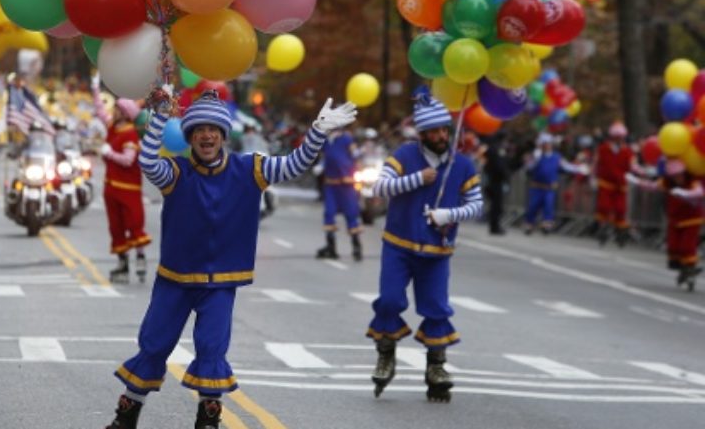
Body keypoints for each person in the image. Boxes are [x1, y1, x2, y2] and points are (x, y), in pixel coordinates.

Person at [103, 90, 356, 429]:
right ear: (190, 136)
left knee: (212, 348)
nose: (207, 135)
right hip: (175, 279)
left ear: (223, 136)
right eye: (199, 130)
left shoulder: (250, 168)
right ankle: (127, 414)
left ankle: (208, 417)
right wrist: (160, 116)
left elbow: (294, 164)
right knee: (154, 343)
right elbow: (148, 163)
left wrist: (317, 133)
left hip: (220, 282)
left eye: (214, 129)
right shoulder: (175, 173)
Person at [367, 88, 483, 403]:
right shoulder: (405, 156)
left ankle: (436, 367)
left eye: (444, 129)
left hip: (436, 251)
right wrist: (418, 179)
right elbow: (379, 186)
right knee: (389, 301)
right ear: (422, 134)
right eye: (433, 130)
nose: (441, 135)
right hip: (399, 245)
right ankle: (386, 353)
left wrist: (451, 214)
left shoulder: (463, 165)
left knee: (435, 307)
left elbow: (476, 205)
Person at [92, 75, 151, 284]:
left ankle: (141, 258)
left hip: (129, 188)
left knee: (134, 224)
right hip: (111, 187)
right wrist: (95, 90)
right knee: (116, 227)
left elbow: (128, 160)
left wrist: (109, 154)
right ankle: (123, 262)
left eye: (116, 109)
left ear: (125, 114)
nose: (112, 112)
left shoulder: (130, 135)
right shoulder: (113, 128)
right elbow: (100, 112)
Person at [634, 159, 703, 290]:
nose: (678, 177)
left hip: (691, 218)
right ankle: (682, 268)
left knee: (687, 246)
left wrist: (686, 193)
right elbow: (653, 186)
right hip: (675, 219)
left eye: (680, 174)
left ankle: (690, 267)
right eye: (675, 175)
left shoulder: (692, 180)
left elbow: (699, 192)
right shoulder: (667, 182)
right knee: (673, 246)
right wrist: (638, 182)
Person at [523, 133, 589, 235]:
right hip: (537, 187)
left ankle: (546, 225)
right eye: (544, 143)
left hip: (549, 188)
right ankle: (529, 224)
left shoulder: (556, 157)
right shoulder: (537, 156)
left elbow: (567, 166)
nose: (546, 145)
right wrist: (535, 158)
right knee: (533, 206)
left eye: (548, 143)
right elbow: (529, 167)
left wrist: (579, 169)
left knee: (548, 206)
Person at [316, 126, 364, 261]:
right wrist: (321, 166)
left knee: (351, 214)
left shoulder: (346, 138)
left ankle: (356, 247)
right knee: (329, 213)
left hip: (346, 184)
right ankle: (331, 246)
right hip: (331, 184)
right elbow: (324, 156)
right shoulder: (325, 140)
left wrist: (358, 154)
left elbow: (355, 154)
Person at [593, 122, 636, 247]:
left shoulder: (628, 151)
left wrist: (643, 172)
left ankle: (620, 231)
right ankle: (602, 228)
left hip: (620, 185)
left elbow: (633, 166)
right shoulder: (603, 149)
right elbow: (596, 163)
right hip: (606, 183)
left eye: (620, 138)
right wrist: (593, 177)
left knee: (620, 209)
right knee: (604, 207)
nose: (618, 140)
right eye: (616, 137)